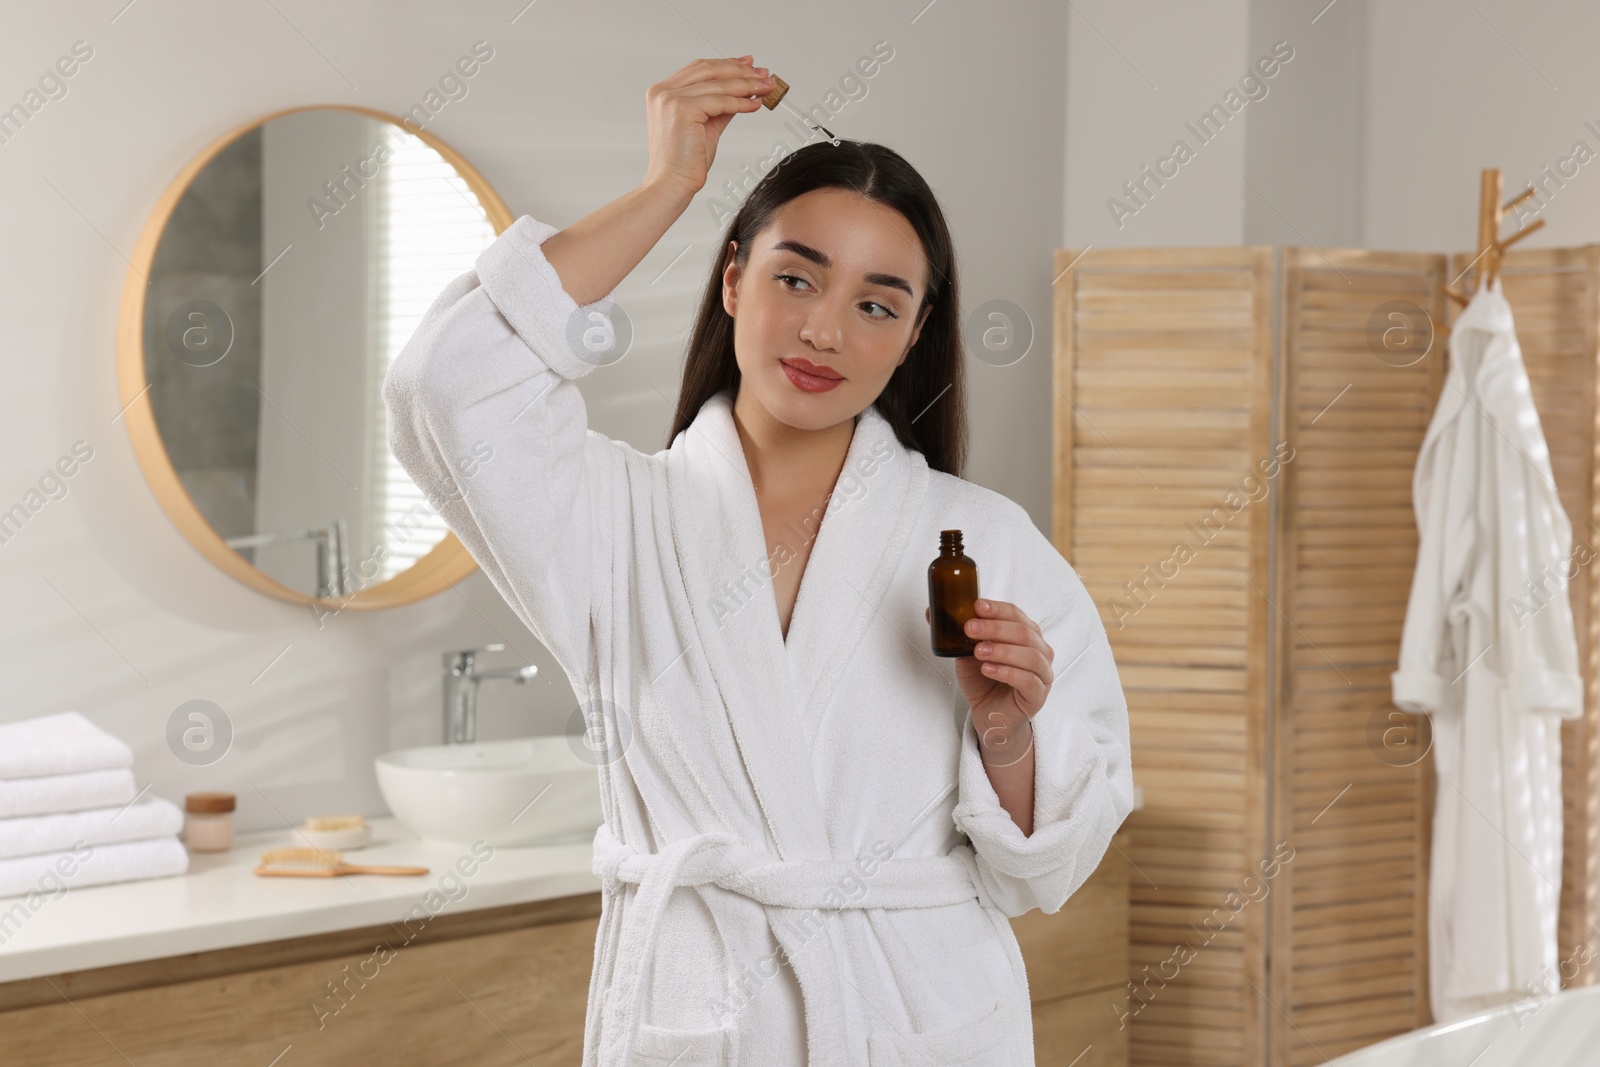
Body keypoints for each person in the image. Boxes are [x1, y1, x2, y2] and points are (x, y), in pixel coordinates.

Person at [383, 53, 1133, 1067]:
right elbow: (446, 384)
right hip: (699, 1021)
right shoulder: (613, 519)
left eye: (876, 303)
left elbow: (1045, 868)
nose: (824, 329)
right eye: (795, 276)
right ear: (732, 280)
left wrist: (1007, 736)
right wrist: (668, 188)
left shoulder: (985, 541)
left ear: (913, 335)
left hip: (915, 1015)